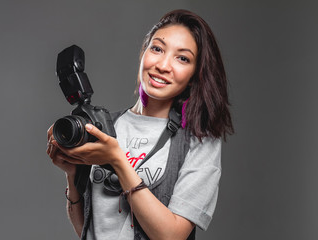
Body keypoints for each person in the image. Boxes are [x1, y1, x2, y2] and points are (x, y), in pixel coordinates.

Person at [47, 9, 233, 240]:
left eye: (182, 58)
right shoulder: (104, 127)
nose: (164, 65)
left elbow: (172, 236)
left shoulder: (197, 141)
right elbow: (89, 229)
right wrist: (73, 175)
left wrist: (117, 161)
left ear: (195, 75)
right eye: (157, 48)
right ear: (143, 53)